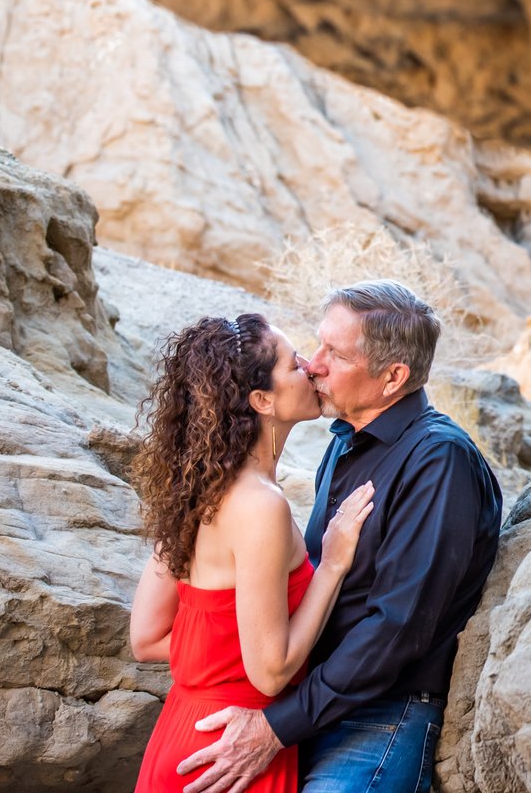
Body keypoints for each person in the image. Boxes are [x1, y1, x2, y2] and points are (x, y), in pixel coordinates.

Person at [176, 280, 503, 793]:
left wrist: (275, 727)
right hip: (312, 709)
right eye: (319, 344)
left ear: (393, 377)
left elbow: (397, 628)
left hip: (380, 719)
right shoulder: (346, 442)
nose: (314, 364)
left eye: (337, 354)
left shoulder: (439, 460)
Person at [130, 313, 376, 793]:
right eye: (293, 364)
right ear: (262, 400)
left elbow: (146, 636)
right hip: (233, 749)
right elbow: (271, 672)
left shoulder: (200, 488)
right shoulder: (261, 505)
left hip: (185, 731)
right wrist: (332, 565)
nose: (310, 367)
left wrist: (223, 652)